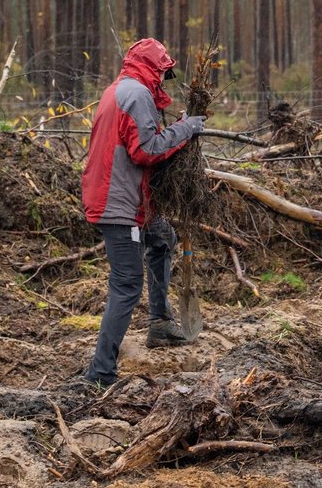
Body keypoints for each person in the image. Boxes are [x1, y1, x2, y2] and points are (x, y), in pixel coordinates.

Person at [81, 38, 207, 387]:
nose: (165, 79)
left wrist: (176, 128)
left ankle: (160, 324)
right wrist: (187, 128)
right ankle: (101, 373)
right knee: (126, 285)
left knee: (163, 236)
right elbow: (146, 151)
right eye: (165, 72)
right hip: (118, 204)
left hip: (127, 198)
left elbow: (139, 140)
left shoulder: (122, 90)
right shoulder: (136, 94)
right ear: (154, 67)